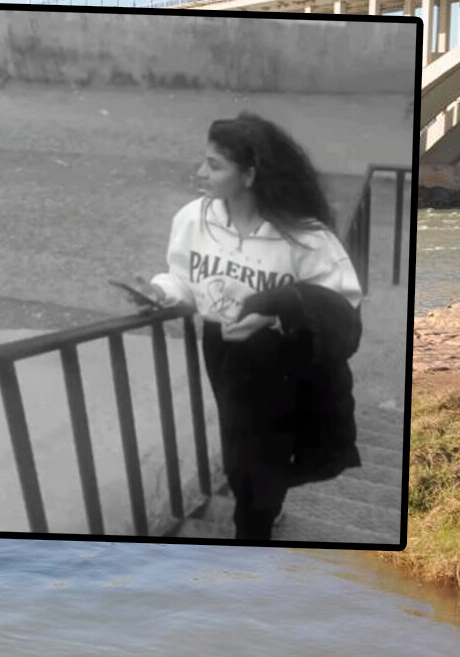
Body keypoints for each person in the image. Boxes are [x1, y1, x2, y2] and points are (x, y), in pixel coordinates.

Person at [136, 112, 363, 541]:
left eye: (214, 165)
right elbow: (183, 277)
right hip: (221, 349)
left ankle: (252, 529)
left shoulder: (304, 237)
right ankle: (264, 502)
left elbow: (342, 306)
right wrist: (162, 293)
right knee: (242, 440)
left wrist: (278, 314)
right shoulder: (194, 219)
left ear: (250, 174)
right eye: (204, 161)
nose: (201, 173)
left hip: (280, 359)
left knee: (256, 455)